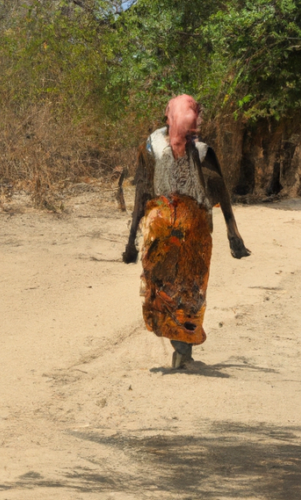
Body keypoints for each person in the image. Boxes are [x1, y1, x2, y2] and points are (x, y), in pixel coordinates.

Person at [122, 95, 251, 368]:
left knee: (163, 289)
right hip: (194, 231)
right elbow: (221, 193)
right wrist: (233, 233)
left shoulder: (150, 147)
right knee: (190, 291)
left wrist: (131, 240)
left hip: (159, 229)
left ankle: (180, 348)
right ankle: (183, 351)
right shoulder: (202, 151)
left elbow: (141, 195)